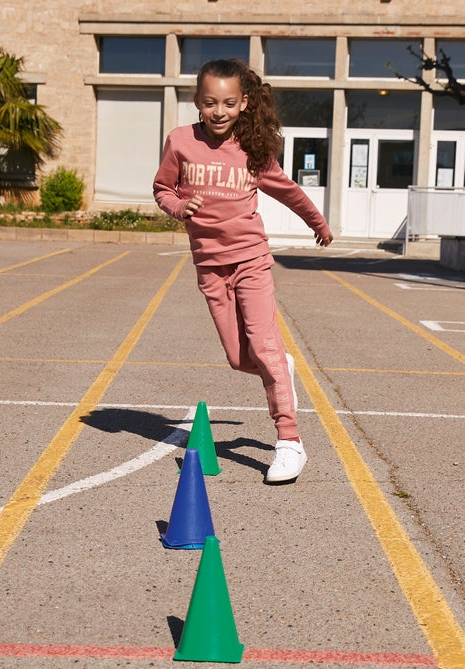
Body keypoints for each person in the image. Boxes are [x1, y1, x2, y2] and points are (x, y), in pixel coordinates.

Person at [153, 58, 333, 484]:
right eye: (211, 102)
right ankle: (278, 367)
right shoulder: (180, 141)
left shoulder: (251, 150)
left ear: (244, 102)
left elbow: (288, 191)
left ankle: (289, 442)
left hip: (251, 259)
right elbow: (162, 188)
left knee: (263, 345)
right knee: (238, 358)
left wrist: (318, 223)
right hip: (209, 266)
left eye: (229, 103)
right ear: (197, 101)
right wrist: (180, 206)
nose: (219, 112)